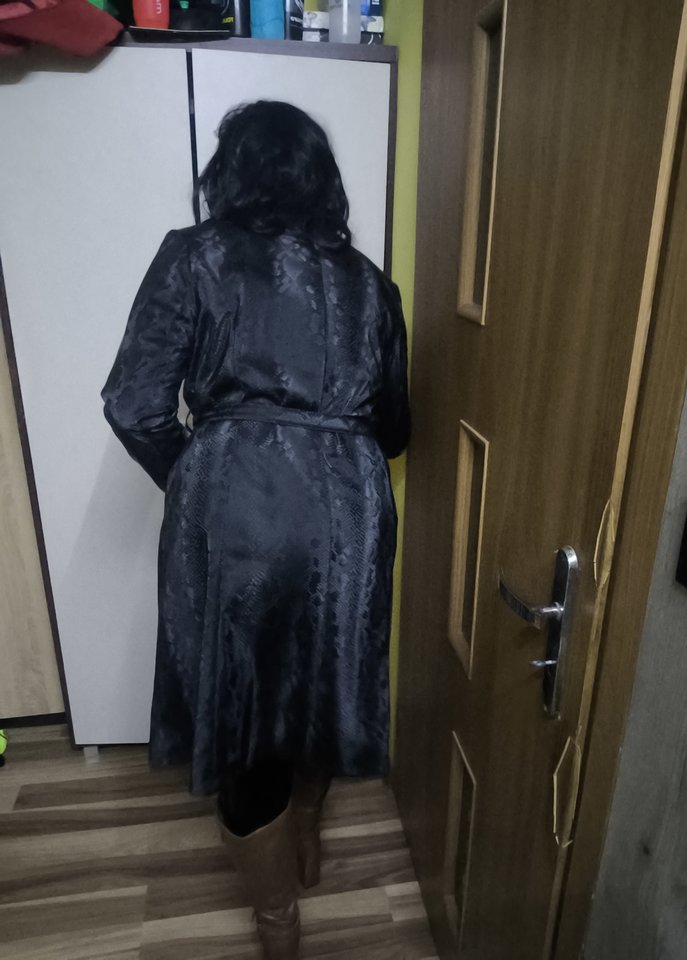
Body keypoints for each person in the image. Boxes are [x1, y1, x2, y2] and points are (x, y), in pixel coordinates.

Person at [101, 100, 410, 960]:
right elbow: (395, 428)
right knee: (323, 678)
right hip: (350, 512)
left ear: (230, 172)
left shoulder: (194, 255)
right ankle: (306, 833)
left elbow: (133, 404)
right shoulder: (371, 284)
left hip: (236, 510)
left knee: (241, 708)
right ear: (322, 180)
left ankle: (279, 923)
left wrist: (202, 474)